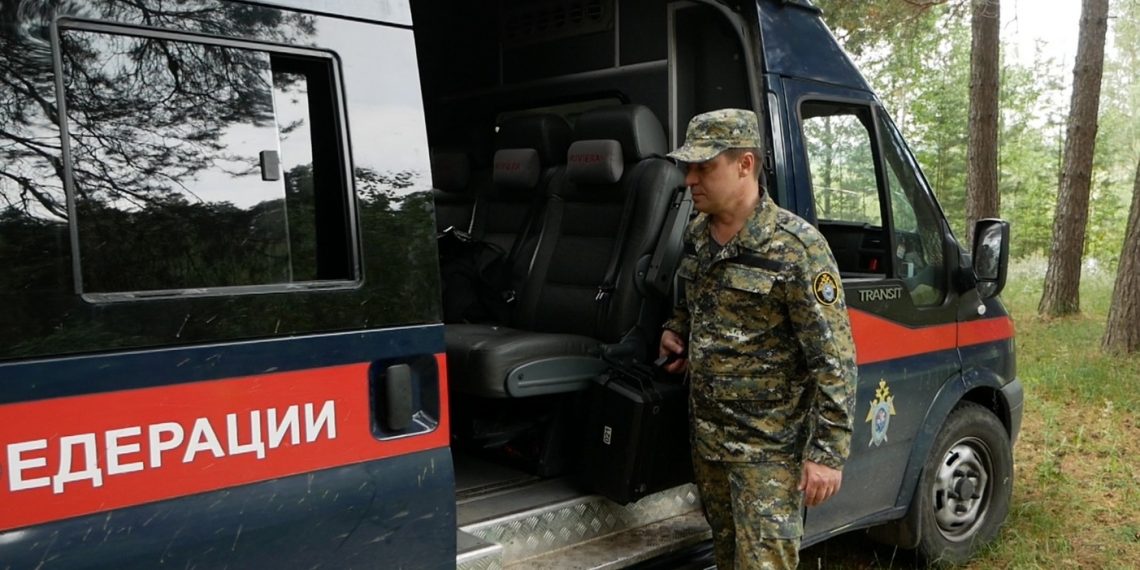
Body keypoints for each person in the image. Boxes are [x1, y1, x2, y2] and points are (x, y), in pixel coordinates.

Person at [659, 109, 857, 569]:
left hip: (769, 454)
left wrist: (827, 454)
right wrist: (677, 331)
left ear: (745, 164)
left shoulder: (796, 247)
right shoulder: (698, 235)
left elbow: (835, 359)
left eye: (704, 167)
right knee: (726, 560)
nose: (690, 179)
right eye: (688, 167)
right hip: (709, 443)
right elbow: (692, 302)